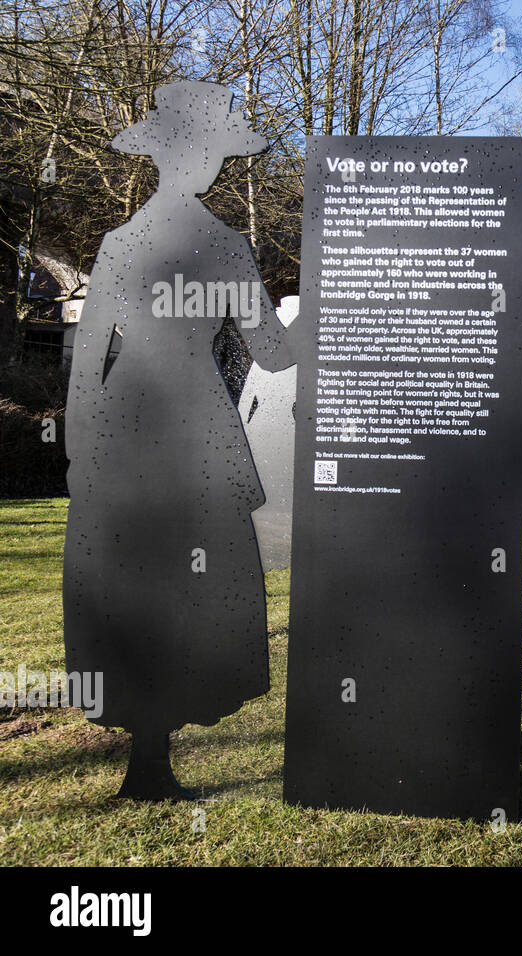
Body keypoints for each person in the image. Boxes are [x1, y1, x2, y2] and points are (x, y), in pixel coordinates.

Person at [63, 81, 301, 800]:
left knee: (135, 578)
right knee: (183, 580)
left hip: (120, 421)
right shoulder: (223, 244)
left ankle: (148, 757)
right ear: (192, 160)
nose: (211, 166)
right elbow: (273, 350)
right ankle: (152, 758)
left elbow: (85, 359)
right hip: (192, 422)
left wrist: (79, 447)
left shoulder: (121, 242)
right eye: (210, 153)